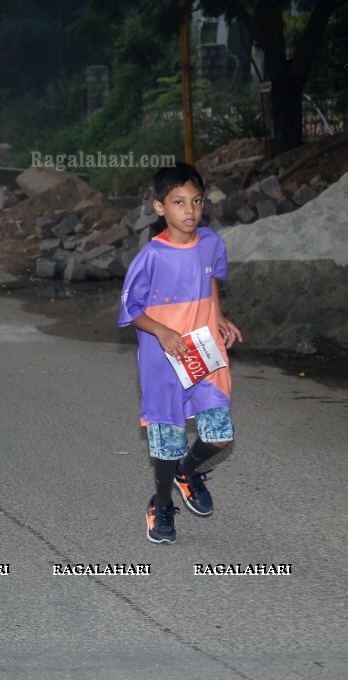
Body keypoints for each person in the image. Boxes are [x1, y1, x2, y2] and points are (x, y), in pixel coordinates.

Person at [118, 163, 242, 544]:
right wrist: (162, 331)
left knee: (220, 435)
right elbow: (130, 311)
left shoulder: (211, 243)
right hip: (164, 362)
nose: (190, 210)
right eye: (178, 202)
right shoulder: (151, 257)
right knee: (168, 442)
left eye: (196, 201)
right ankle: (161, 503)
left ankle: (187, 472)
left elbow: (210, 280)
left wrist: (217, 314)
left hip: (204, 355)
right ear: (160, 208)